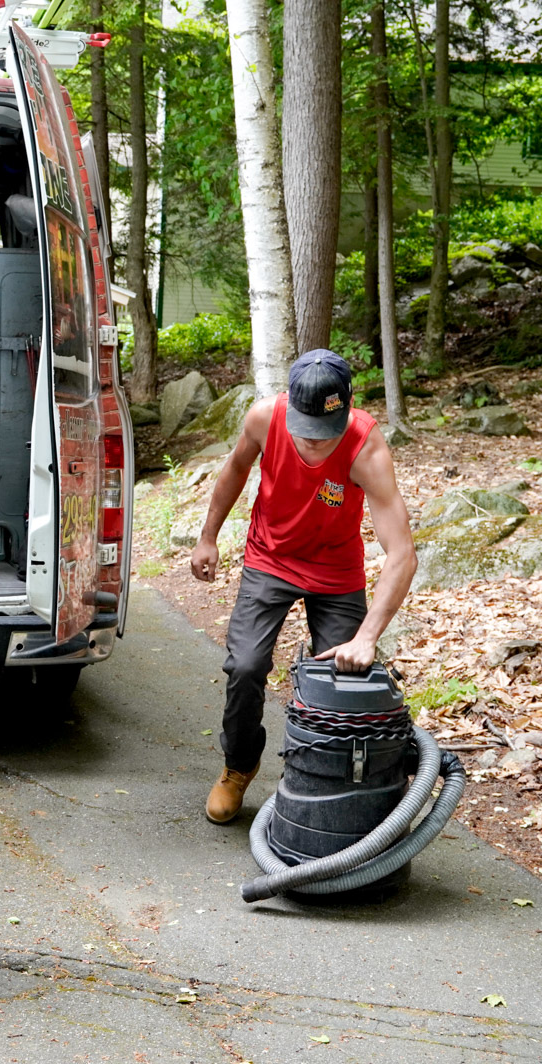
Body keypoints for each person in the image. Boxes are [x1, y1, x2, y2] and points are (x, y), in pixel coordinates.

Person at [190, 349, 417, 825]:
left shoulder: (366, 447)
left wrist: (367, 637)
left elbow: (402, 555)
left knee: (345, 682)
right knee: (246, 666)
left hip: (336, 570)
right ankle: (239, 765)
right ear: (290, 405)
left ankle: (327, 787)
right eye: (306, 432)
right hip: (270, 556)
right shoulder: (263, 418)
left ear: (347, 406)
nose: (314, 445)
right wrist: (208, 537)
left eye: (324, 435)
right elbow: (234, 469)